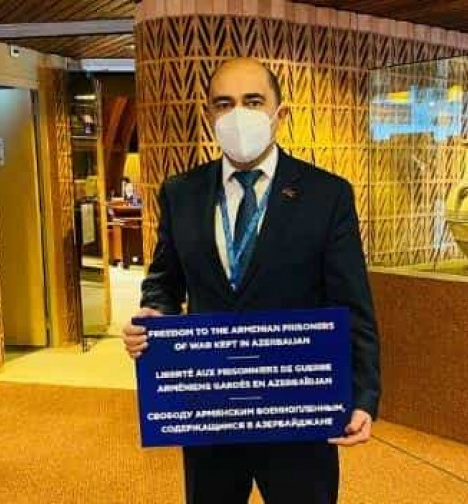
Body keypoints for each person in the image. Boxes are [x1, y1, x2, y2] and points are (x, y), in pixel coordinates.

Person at [122, 57, 380, 504]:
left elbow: (351, 301)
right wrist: (154, 315)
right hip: (210, 408)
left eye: (253, 101)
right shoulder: (181, 193)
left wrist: (363, 395)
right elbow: (164, 280)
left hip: (297, 407)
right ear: (209, 115)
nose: (237, 114)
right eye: (224, 104)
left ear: (281, 114)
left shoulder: (327, 195)